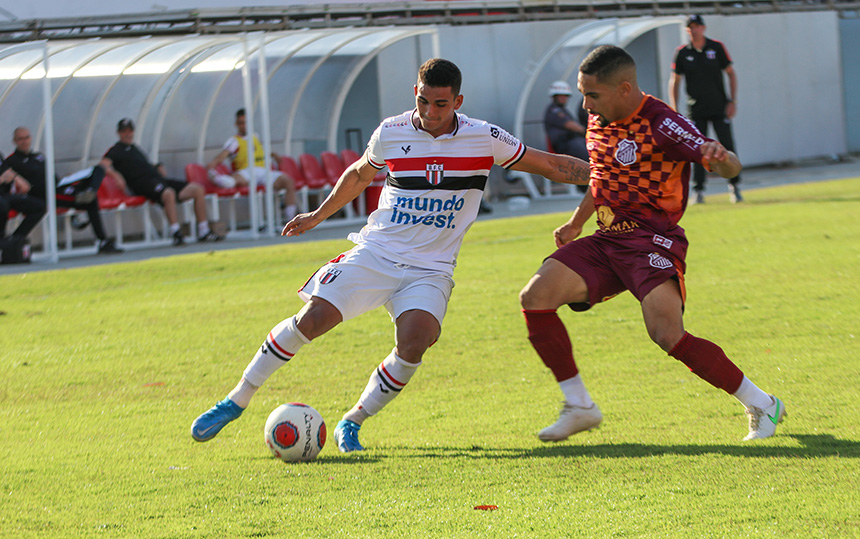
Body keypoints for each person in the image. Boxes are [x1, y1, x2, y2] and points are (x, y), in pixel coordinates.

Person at [190, 58, 590, 452]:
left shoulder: (484, 137)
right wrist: (317, 215)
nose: (430, 112)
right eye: (423, 101)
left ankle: (353, 420)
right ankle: (236, 400)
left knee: (416, 341)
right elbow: (361, 173)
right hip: (376, 253)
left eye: (441, 104)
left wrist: (606, 175)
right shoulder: (392, 131)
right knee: (313, 319)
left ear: (458, 101)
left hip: (431, 269)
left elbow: (552, 165)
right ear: (415, 94)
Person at [519, 45, 784, 443]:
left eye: (593, 95)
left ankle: (761, 402)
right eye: (583, 93)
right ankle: (579, 406)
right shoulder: (598, 118)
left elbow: (728, 164)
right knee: (535, 296)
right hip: (607, 238)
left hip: (652, 241)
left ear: (624, 88)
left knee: (666, 334)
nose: (585, 104)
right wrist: (576, 223)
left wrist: (723, 156)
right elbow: (602, 179)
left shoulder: (663, 124)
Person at [102, 118, 221, 246]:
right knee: (168, 193)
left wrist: (156, 166)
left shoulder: (134, 148)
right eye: (124, 131)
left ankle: (204, 230)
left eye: (130, 131)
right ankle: (176, 232)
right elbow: (103, 165)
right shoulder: (115, 150)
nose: (128, 134)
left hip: (158, 180)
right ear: (119, 133)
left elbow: (143, 165)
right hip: (142, 184)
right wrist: (116, 175)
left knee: (197, 189)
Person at [2, 127, 122, 254]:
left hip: (59, 186)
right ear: (14, 141)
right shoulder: (11, 161)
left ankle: (90, 190)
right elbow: (12, 182)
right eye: (20, 139)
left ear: (31, 138)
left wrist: (67, 179)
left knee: (98, 169)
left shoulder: (39, 157)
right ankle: (102, 240)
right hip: (46, 193)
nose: (24, 141)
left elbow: (53, 177)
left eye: (27, 137)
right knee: (91, 201)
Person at [669, 14, 743, 204]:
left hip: (719, 107)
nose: (695, 30)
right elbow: (675, 81)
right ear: (687, 30)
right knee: (698, 151)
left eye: (697, 26)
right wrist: (675, 109)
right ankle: (699, 190)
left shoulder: (716, 48)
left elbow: (731, 74)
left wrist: (732, 101)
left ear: (704, 28)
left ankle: (734, 186)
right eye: (691, 27)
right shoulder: (683, 52)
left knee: (727, 146)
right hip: (696, 110)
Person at [206, 108, 299, 224]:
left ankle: (291, 219)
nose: (243, 126)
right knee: (232, 181)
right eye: (241, 123)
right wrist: (213, 165)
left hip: (263, 172)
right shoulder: (234, 141)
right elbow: (223, 155)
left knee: (288, 181)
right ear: (236, 124)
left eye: (246, 122)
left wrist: (273, 154)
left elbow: (260, 151)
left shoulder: (255, 136)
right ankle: (217, 178)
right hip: (246, 171)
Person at [0, 159, 45, 243]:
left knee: (39, 207)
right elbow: (3, 177)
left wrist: (17, 178)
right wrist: (1, 179)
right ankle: (1, 240)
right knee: (2, 205)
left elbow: (7, 171)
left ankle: (14, 241)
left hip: (5, 195)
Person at [544, 80, 589, 162]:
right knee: (589, 157)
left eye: (565, 96)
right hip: (564, 145)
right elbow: (570, 125)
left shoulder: (562, 110)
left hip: (571, 142)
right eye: (560, 96)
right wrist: (586, 132)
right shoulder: (554, 110)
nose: (563, 98)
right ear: (554, 96)